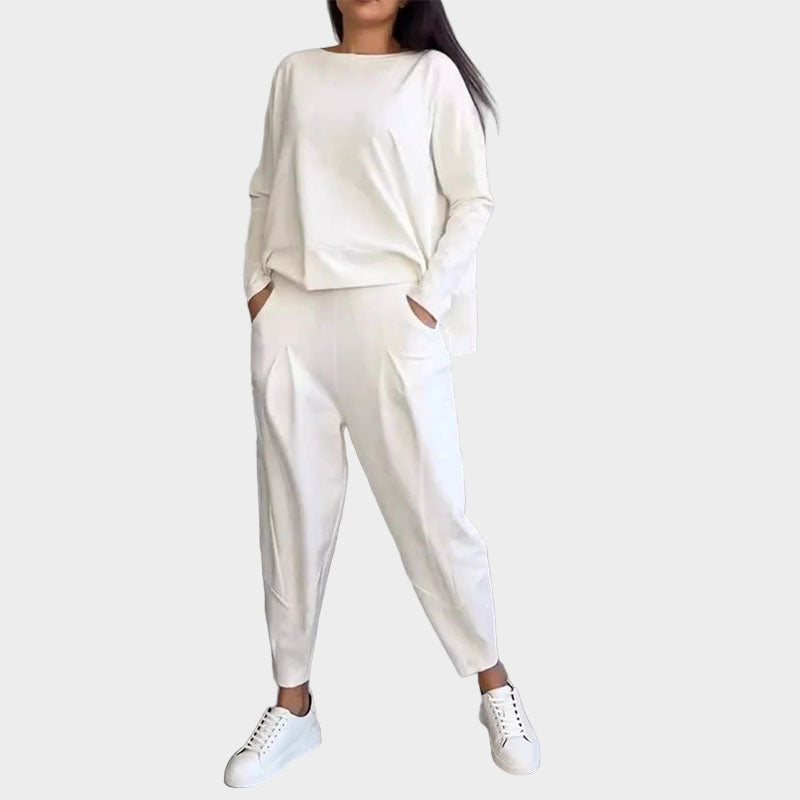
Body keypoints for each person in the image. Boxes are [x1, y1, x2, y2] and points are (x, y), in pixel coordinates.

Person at [224, 1, 540, 786]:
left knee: (434, 509)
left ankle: (494, 683)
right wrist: (257, 288)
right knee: (290, 512)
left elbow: (472, 200)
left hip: (390, 315)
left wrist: (426, 301)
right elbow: (264, 190)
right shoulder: (295, 73)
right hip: (293, 314)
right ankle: (293, 703)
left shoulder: (430, 77)